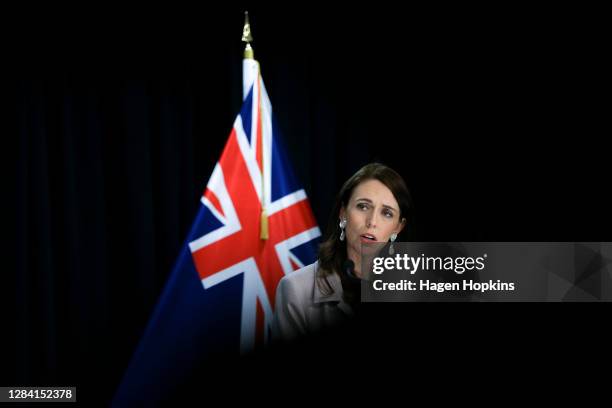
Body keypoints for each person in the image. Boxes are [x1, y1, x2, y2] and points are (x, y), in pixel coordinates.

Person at [271, 162, 412, 341]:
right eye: (363, 206)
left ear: (398, 227)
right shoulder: (296, 289)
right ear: (343, 212)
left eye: (387, 213)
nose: (372, 221)